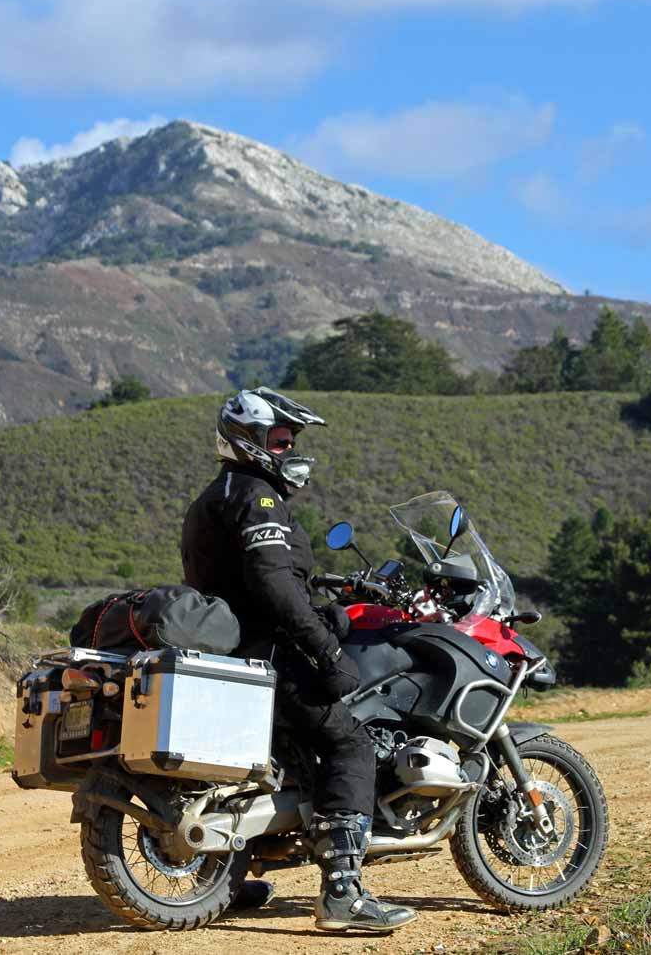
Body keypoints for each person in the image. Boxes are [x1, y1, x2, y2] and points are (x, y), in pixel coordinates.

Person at [181, 387, 417, 933]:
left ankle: (222, 878)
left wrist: (323, 605)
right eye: (281, 440)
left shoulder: (214, 496)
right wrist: (325, 647)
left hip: (237, 650)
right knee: (349, 743)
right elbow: (272, 584)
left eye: (290, 441)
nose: (289, 450)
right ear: (249, 440)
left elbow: (259, 578)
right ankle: (343, 894)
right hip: (271, 651)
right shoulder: (258, 496)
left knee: (285, 757)